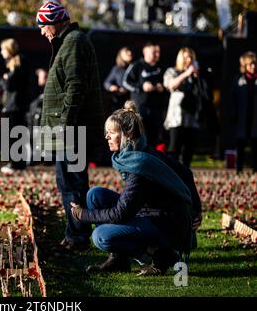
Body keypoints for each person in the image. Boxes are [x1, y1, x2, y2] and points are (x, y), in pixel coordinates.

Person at [70, 101, 202, 275]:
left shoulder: (140, 166)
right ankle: (118, 260)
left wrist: (83, 215)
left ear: (128, 134)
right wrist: (197, 209)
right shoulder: (139, 153)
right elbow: (185, 172)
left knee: (101, 236)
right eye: (106, 132)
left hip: (167, 224)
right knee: (95, 195)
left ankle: (161, 254)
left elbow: (120, 213)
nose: (106, 137)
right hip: (152, 213)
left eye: (111, 133)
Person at [37, 1, 105, 252]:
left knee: (72, 184)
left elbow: (75, 88)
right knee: (68, 183)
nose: (42, 32)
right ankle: (73, 234)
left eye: (43, 26)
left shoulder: (74, 42)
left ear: (54, 22)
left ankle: (77, 238)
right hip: (69, 130)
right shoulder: (68, 42)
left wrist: (65, 126)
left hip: (72, 131)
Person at [163, 47, 211, 168]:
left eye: (191, 58)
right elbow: (170, 85)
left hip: (193, 117)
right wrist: (186, 73)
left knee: (188, 151)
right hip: (177, 117)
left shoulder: (196, 76)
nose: (189, 60)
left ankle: (185, 178)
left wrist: (197, 76)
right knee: (174, 149)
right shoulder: (172, 71)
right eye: (186, 57)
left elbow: (205, 94)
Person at [123, 42, 166, 147]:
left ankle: (151, 160)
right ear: (145, 52)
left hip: (157, 109)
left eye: (158, 52)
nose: (157, 54)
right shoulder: (137, 65)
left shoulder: (161, 67)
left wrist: (162, 87)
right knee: (139, 137)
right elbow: (125, 82)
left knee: (154, 138)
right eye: (153, 52)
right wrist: (141, 87)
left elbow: (167, 84)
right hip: (139, 108)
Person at [0, 38, 30, 174]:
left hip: (14, 106)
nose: (1, 52)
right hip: (17, 105)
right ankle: (18, 162)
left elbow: (9, 84)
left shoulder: (17, 64)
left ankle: (14, 162)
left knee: (11, 135)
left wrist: (5, 79)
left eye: (3, 49)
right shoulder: (17, 63)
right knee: (16, 134)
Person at [232, 51, 257, 173]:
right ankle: (239, 169)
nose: (253, 66)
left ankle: (255, 169)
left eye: (255, 64)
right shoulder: (238, 80)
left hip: (255, 118)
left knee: (255, 145)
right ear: (245, 66)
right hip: (242, 118)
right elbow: (233, 100)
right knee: (240, 145)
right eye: (251, 64)